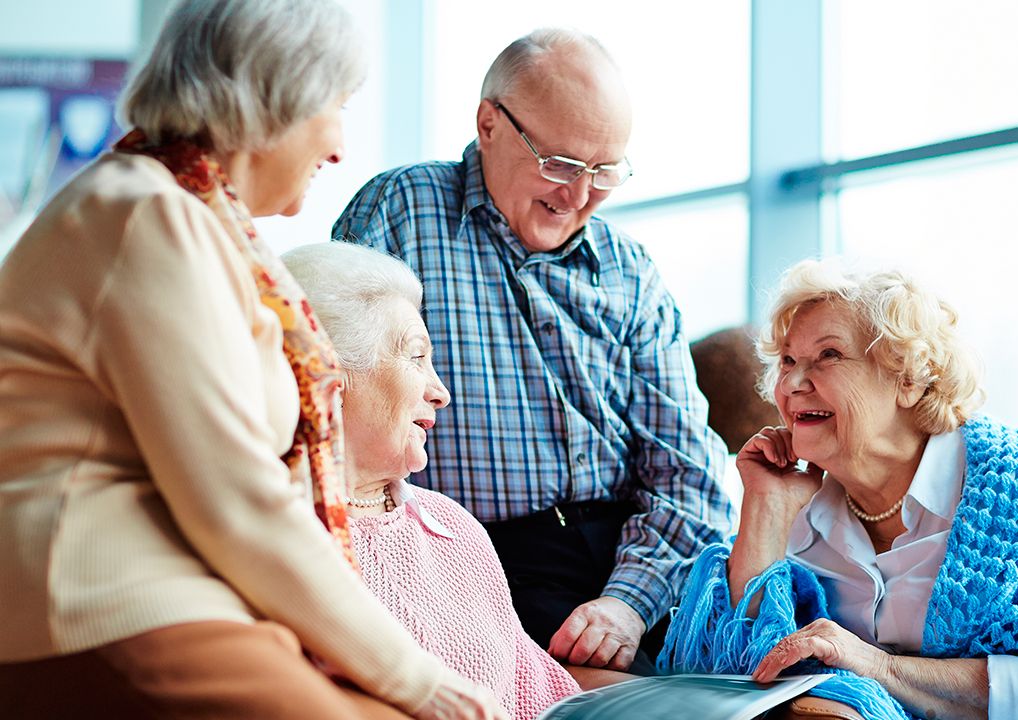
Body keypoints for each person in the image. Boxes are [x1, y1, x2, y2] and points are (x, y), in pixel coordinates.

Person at [0, 2, 505, 718]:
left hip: (170, 598)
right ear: (276, 98)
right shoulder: (143, 214)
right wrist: (420, 678)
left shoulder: (200, 227)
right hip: (97, 601)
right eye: (336, 106)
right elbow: (236, 500)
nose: (337, 145)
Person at [659, 260, 1018, 720]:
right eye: (786, 361)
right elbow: (726, 678)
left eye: (827, 355)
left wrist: (880, 669)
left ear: (908, 378)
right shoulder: (795, 499)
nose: (793, 382)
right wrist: (764, 507)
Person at [332, 28, 733, 674]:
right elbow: (338, 402)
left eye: (604, 172)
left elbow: (691, 477)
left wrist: (627, 605)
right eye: (562, 164)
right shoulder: (403, 209)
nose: (579, 196)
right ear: (489, 124)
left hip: (629, 566)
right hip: (465, 560)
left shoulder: (630, 270)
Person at [282, 241, 606, 719]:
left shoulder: (452, 526)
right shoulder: (273, 539)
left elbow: (538, 691)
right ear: (330, 372)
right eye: (416, 357)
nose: (441, 393)